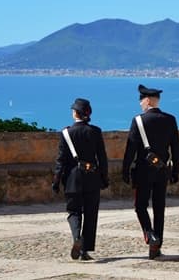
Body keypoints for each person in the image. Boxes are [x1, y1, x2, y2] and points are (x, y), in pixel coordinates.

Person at [122, 84, 179, 260]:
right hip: (162, 170)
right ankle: (157, 246)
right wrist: (176, 170)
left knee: (140, 206)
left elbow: (130, 149)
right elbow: (176, 149)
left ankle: (150, 234)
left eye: (141, 101)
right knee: (159, 208)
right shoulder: (170, 119)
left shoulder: (139, 121)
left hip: (143, 171)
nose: (140, 104)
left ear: (147, 101)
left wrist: (125, 171)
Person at [52, 98, 109, 261]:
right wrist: (104, 178)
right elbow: (102, 159)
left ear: (75, 113)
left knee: (74, 212)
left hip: (72, 179)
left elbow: (60, 160)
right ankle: (85, 250)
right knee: (91, 214)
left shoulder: (66, 133)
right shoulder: (95, 132)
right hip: (92, 178)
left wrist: (56, 181)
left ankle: (77, 237)